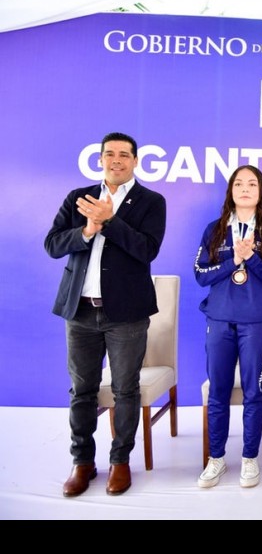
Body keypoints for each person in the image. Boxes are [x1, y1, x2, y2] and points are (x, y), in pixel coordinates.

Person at [44, 132, 167, 497]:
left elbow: (147, 250)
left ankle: (120, 461)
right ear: (100, 160)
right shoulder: (78, 198)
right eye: (110, 154)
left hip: (126, 314)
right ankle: (82, 461)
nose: (117, 160)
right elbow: (52, 244)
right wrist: (87, 230)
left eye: (124, 155)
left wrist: (110, 221)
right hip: (80, 311)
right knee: (82, 390)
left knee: (125, 389)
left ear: (135, 161)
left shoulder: (151, 201)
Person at [194, 165, 262, 489]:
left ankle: (249, 458)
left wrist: (252, 258)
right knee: (217, 391)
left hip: (256, 322)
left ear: (261, 192)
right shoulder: (214, 230)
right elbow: (201, 275)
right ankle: (216, 458)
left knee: (253, 391)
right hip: (219, 320)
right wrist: (233, 260)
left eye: (252, 184)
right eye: (239, 184)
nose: (245, 189)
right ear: (231, 191)